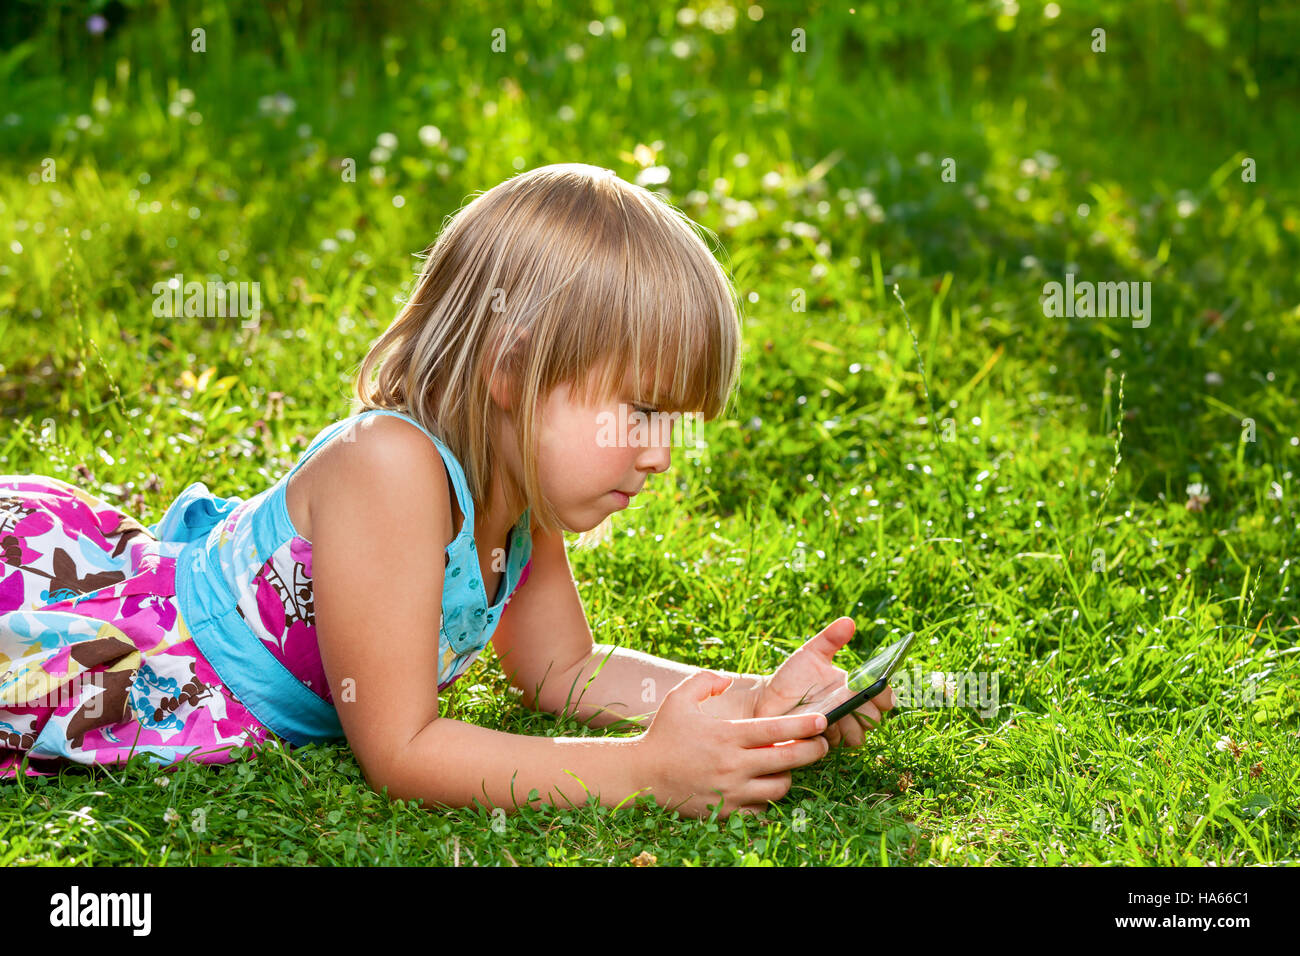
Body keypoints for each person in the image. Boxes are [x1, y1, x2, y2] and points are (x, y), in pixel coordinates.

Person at [0, 163, 894, 819]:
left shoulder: (517, 501)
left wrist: (753, 704)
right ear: (513, 368)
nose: (658, 454)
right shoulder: (391, 468)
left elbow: (561, 671)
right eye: (643, 411)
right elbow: (402, 750)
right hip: (122, 643)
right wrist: (646, 774)